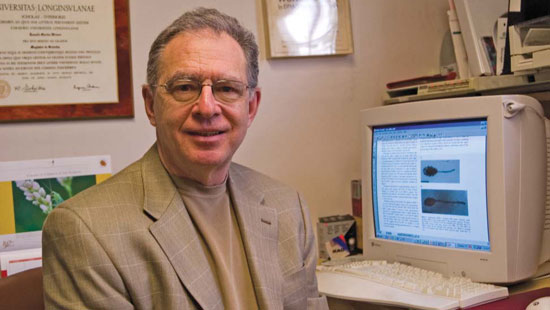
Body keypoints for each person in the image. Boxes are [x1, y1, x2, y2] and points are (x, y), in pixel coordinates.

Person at [42, 7, 328, 310]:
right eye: (185, 88)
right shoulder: (86, 230)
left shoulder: (287, 207)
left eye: (227, 89)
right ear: (151, 105)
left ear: (251, 106)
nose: (207, 108)